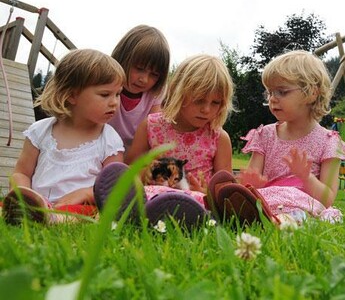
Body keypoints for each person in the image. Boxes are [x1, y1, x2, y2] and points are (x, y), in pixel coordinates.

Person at [207, 50, 345, 226]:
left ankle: (275, 222)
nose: (272, 99)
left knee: (296, 216)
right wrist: (249, 183)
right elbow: (252, 179)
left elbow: (327, 199)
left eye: (282, 92)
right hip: (266, 201)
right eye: (269, 93)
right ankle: (228, 212)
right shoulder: (265, 135)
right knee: (246, 203)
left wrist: (306, 177)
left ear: (312, 93)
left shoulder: (329, 142)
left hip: (303, 205)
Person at [95, 54, 235, 229]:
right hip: (155, 195)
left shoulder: (219, 138)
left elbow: (224, 193)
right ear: (179, 92)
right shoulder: (151, 125)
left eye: (215, 103)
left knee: (197, 205)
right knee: (147, 196)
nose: (206, 109)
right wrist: (146, 171)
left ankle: (183, 219)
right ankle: (139, 213)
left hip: (196, 201)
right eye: (199, 100)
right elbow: (131, 172)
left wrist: (205, 193)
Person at [3, 49, 125, 225]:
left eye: (118, 94)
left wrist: (85, 193)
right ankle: (29, 213)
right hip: (37, 203)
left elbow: (114, 187)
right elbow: (21, 172)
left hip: (79, 207)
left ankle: (50, 219)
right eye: (105, 94)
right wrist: (23, 194)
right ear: (72, 95)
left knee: (87, 213)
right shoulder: (40, 131)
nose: (114, 102)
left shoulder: (109, 139)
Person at [108, 25, 170, 150]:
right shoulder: (106, 83)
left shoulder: (156, 92)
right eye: (139, 69)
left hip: (137, 151)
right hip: (104, 146)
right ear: (123, 57)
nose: (144, 79)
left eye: (154, 74)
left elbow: (154, 128)